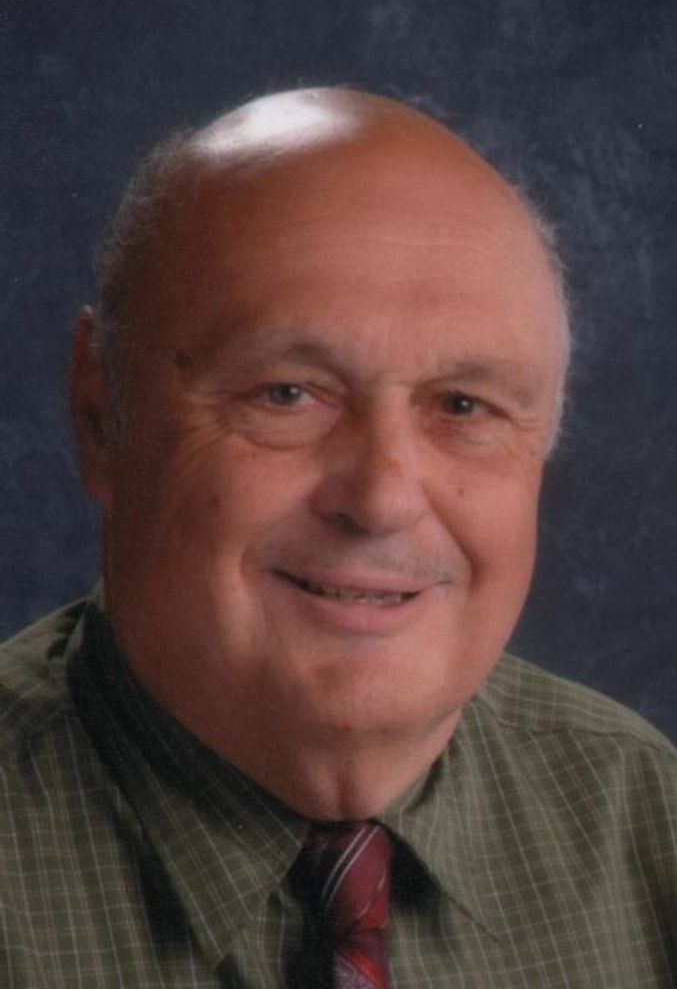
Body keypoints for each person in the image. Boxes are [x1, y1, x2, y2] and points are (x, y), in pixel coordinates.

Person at [1, 87, 675, 988]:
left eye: (462, 406)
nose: (383, 499)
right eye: (287, 394)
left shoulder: (648, 824)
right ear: (101, 416)